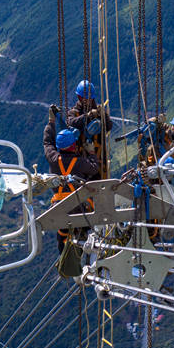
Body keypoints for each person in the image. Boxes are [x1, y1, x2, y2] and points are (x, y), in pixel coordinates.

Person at [43, 116, 100, 277]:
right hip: (80, 208)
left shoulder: (54, 159)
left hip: (60, 208)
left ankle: (64, 258)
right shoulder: (80, 162)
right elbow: (94, 169)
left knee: (62, 234)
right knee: (86, 231)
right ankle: (87, 259)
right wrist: (91, 153)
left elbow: (47, 143)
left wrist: (51, 123)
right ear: (73, 145)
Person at [67, 80, 112, 162]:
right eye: (84, 99)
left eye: (89, 99)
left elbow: (109, 126)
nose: (87, 101)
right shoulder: (74, 112)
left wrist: (103, 115)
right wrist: (87, 116)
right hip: (80, 158)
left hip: (98, 157)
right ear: (79, 98)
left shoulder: (98, 111)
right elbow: (71, 122)